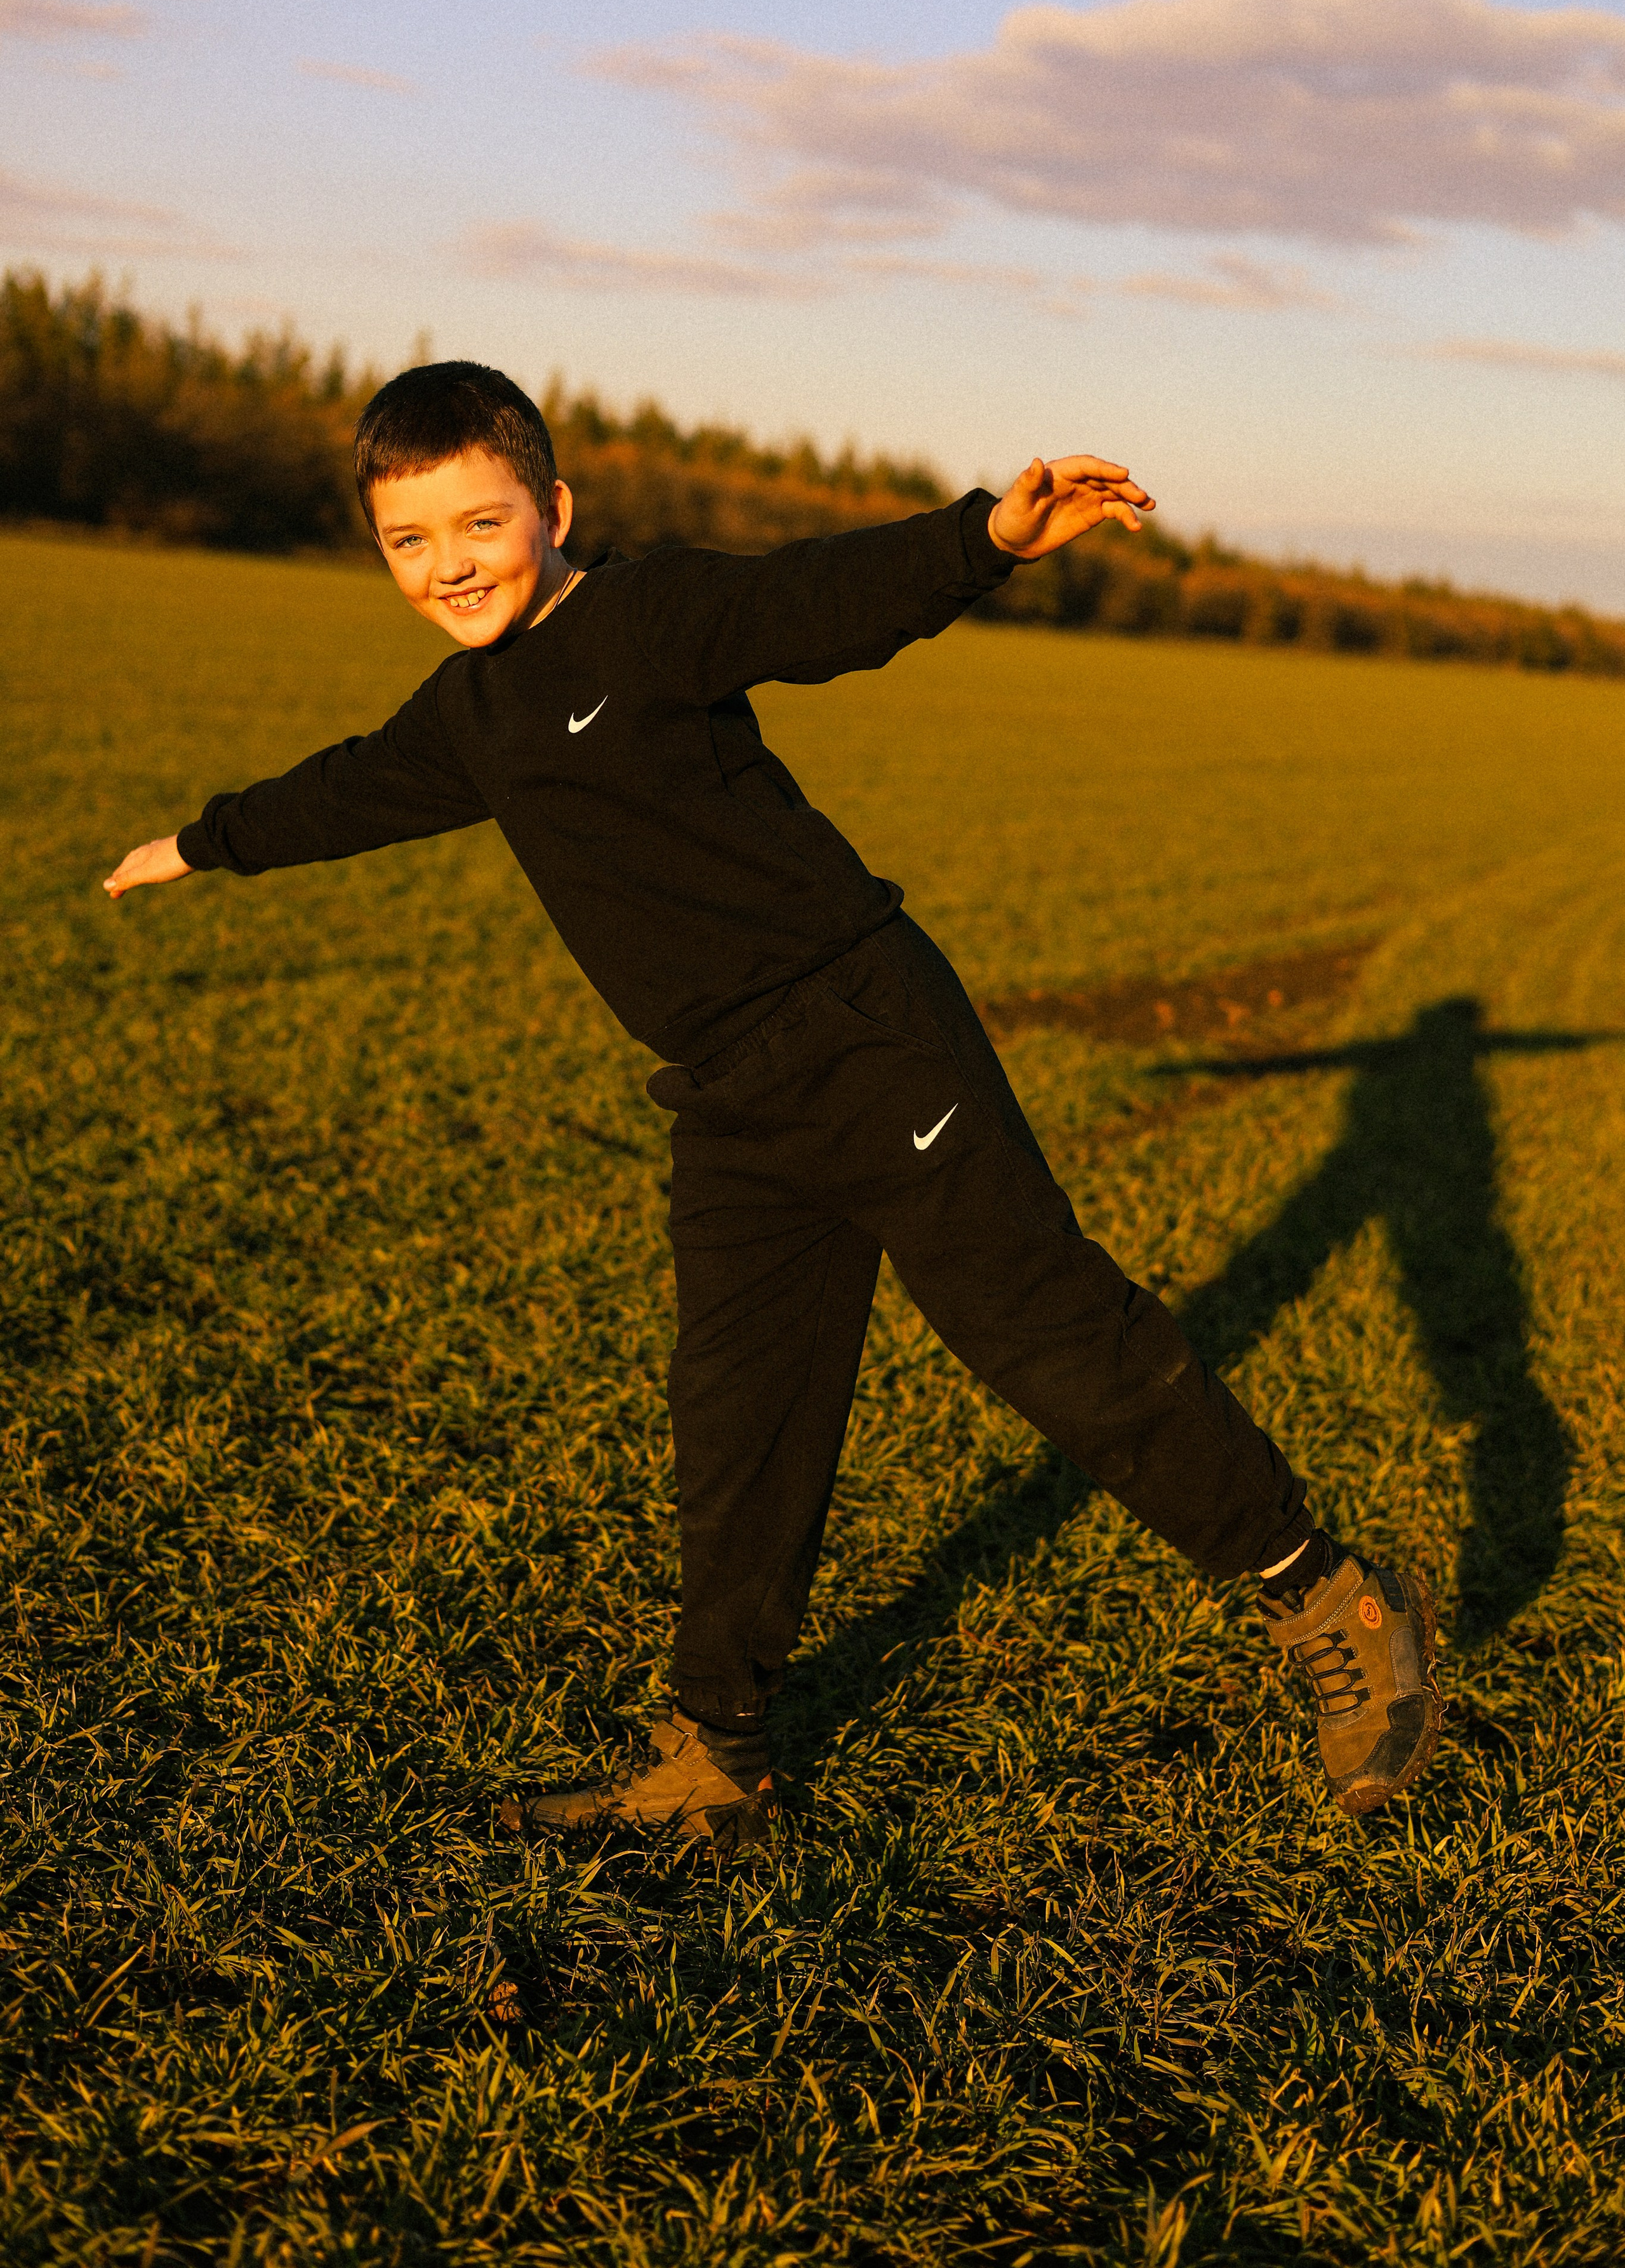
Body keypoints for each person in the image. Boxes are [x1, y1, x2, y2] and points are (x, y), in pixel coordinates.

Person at [105, 361, 1442, 1846]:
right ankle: (716, 1757)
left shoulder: (651, 612)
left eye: (477, 526)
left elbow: (817, 603)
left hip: (867, 1042)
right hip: (730, 1105)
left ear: (552, 509)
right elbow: (351, 789)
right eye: (408, 544)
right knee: (737, 1422)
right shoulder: (470, 713)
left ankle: (1328, 1596)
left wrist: (977, 542)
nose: (448, 567)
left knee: (1054, 1344)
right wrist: (201, 843)